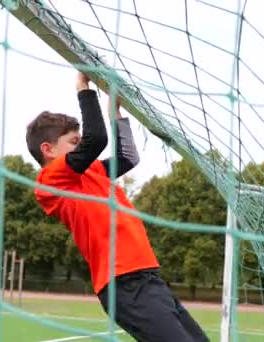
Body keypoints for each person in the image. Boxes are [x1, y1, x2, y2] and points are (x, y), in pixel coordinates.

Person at [26, 71, 209, 342]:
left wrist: (117, 113)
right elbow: (96, 140)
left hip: (149, 278)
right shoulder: (50, 181)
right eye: (73, 142)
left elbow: (128, 157)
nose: (81, 146)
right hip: (123, 284)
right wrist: (83, 88)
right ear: (49, 150)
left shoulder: (92, 172)